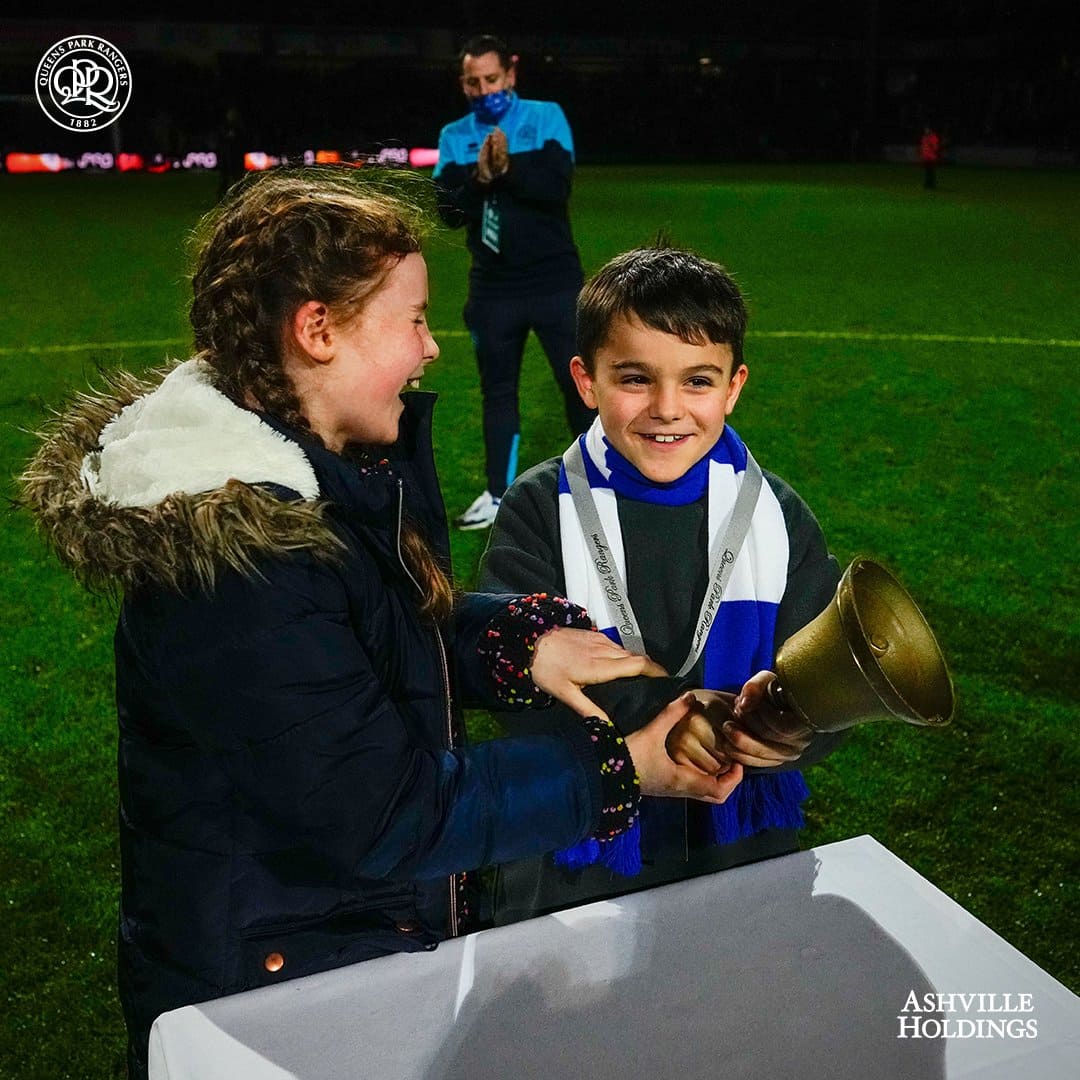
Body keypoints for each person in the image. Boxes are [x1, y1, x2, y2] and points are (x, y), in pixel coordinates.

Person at [20, 173, 744, 1078]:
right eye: (410, 319)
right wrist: (626, 768)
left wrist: (516, 643)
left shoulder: (299, 472)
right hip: (275, 1005)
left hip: (316, 961)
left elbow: (363, 638)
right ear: (318, 330)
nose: (431, 346)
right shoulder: (245, 561)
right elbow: (388, 813)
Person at [478, 246, 846, 924]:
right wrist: (662, 725)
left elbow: (822, 679)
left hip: (741, 840)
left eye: (698, 381)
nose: (668, 409)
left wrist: (791, 736)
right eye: (636, 379)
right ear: (586, 381)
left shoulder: (777, 514)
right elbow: (517, 680)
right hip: (589, 850)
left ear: (734, 385)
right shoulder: (538, 509)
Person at [433, 34, 593, 531]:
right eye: (473, 82)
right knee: (497, 392)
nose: (484, 91)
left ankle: (598, 482)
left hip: (554, 282)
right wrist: (479, 179)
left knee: (580, 385)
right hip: (492, 289)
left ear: (512, 74)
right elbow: (447, 211)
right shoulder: (454, 135)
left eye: (492, 80)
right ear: (462, 83)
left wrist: (507, 170)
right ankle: (498, 493)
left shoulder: (546, 118)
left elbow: (555, 189)